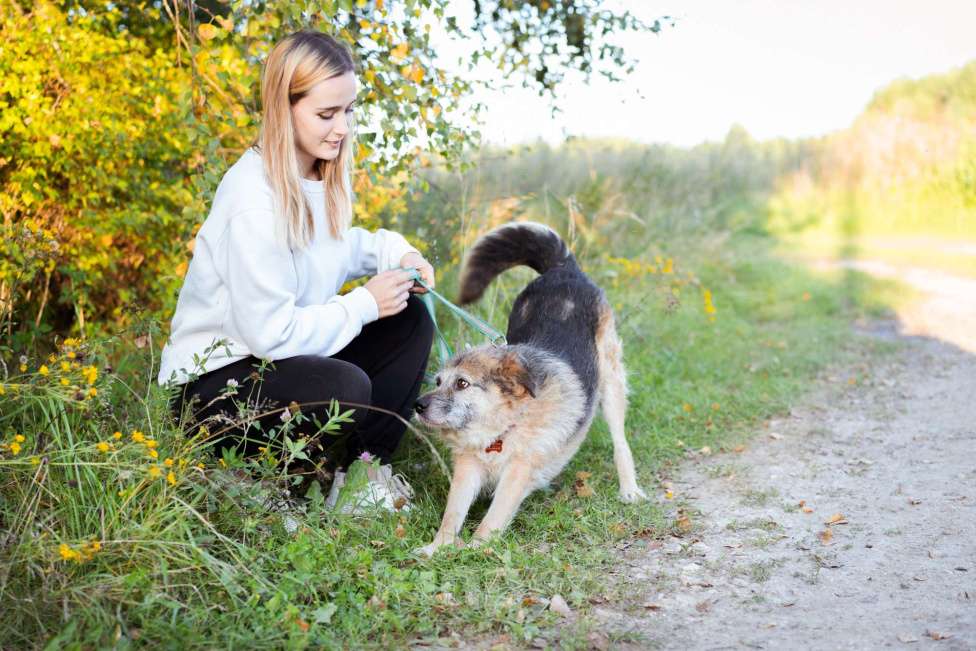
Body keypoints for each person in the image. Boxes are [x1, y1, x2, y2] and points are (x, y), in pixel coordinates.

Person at [158, 30, 434, 512]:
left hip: (279, 366)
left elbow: (337, 247)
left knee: (408, 320)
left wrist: (400, 255)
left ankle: (361, 477)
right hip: (217, 390)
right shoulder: (253, 198)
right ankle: (259, 485)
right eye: (327, 114)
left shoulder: (315, 173)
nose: (342, 127)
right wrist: (363, 304)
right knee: (344, 386)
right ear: (284, 108)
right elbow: (271, 336)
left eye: (348, 110)